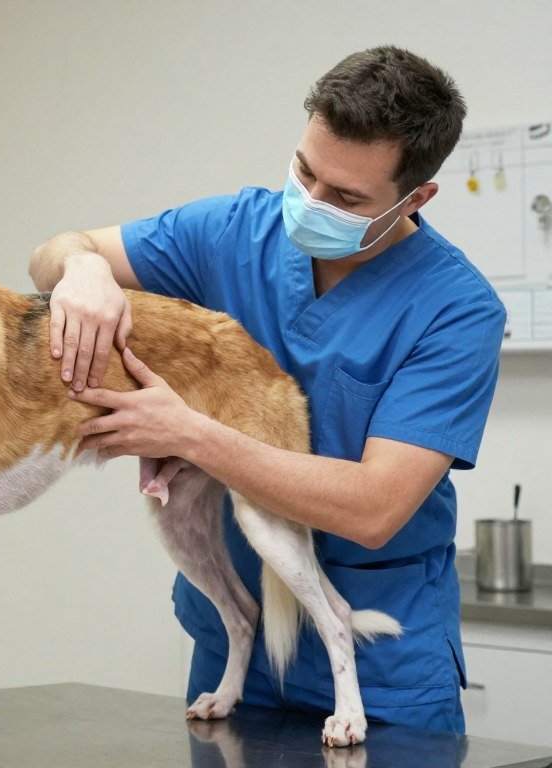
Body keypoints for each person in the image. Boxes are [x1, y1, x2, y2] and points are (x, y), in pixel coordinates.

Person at [29, 45, 505, 733]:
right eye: (305, 171)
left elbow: (374, 509)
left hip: (384, 680)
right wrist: (80, 268)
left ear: (417, 196)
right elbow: (53, 249)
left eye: (344, 197)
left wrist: (187, 433)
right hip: (233, 658)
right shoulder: (236, 232)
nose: (309, 204)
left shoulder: (456, 311)